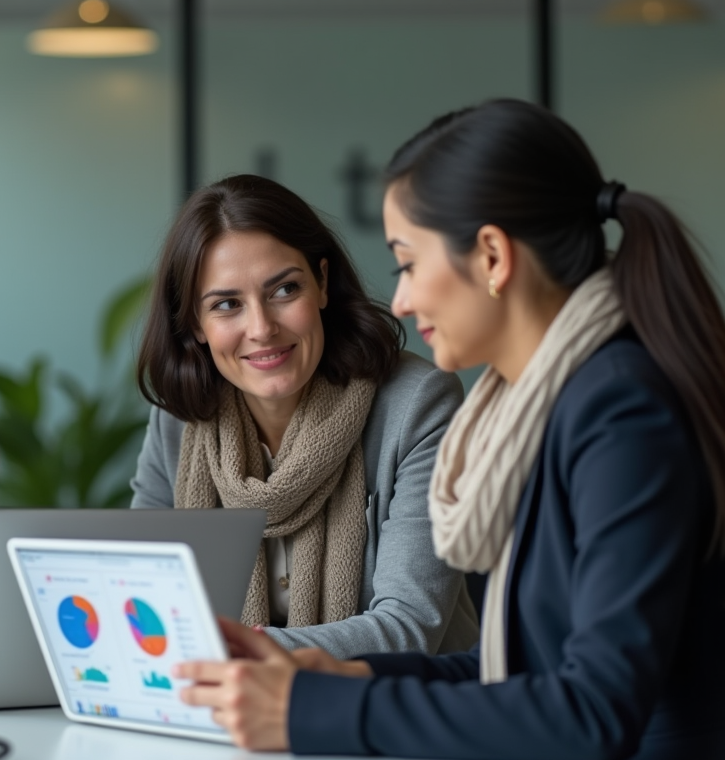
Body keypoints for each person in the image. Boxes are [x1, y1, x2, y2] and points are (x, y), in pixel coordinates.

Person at [175, 99, 725, 760]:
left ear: (491, 256)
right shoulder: (547, 403)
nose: (399, 300)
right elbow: (523, 674)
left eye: (408, 263)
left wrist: (311, 709)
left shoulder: (619, 408)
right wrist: (343, 675)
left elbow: (593, 710)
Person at [131, 174, 479, 658]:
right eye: (227, 304)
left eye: (284, 290)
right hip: (218, 697)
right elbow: (142, 596)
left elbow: (408, 628)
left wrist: (220, 650)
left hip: (387, 698)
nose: (261, 328)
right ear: (194, 322)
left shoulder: (417, 404)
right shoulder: (177, 422)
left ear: (322, 283)